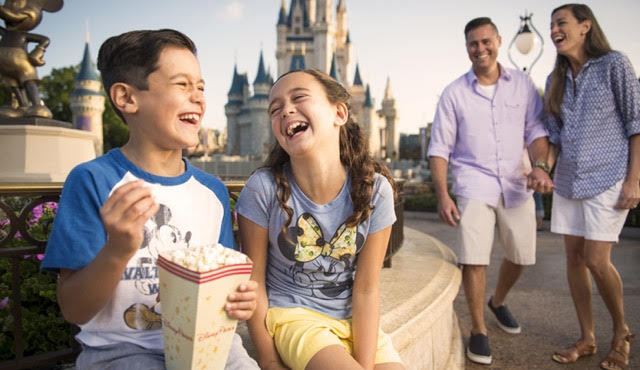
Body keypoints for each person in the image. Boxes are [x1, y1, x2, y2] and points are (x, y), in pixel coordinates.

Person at [40, 29, 259, 370]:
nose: (199, 98)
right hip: (122, 352)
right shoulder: (94, 181)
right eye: (182, 85)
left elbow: (223, 285)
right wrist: (118, 249)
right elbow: (74, 308)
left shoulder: (212, 193)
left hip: (212, 346)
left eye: (201, 87)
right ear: (127, 98)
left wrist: (239, 298)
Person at [236, 69, 404, 370]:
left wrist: (365, 363)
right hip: (296, 318)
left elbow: (367, 288)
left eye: (299, 97)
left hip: (353, 322)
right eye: (274, 109)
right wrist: (269, 360)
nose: (285, 109)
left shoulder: (376, 190)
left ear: (339, 112)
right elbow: (254, 282)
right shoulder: (263, 189)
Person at [427, 17, 554, 365]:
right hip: (473, 182)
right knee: (474, 256)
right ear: (466, 47)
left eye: (486, 42)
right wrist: (443, 194)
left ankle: (497, 300)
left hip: (518, 181)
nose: (480, 49)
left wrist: (541, 167)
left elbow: (537, 132)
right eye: (473, 44)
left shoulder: (523, 85)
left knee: (521, 254)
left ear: (498, 40)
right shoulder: (454, 93)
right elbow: (439, 148)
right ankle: (479, 330)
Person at [544, 4, 639, 369]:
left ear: (585, 27)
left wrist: (634, 178)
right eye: (551, 24)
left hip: (609, 176)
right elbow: (554, 136)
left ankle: (621, 332)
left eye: (561, 23)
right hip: (569, 180)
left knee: (597, 260)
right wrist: (543, 169)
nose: (554, 29)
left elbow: (636, 122)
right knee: (574, 260)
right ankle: (587, 338)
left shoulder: (614, 64)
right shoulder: (556, 80)